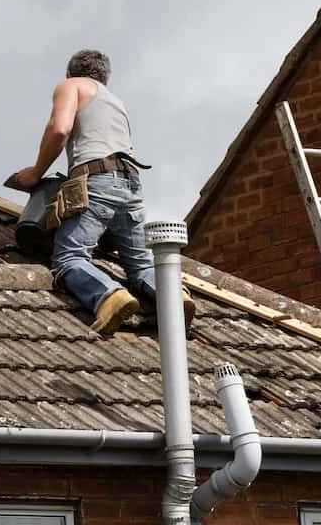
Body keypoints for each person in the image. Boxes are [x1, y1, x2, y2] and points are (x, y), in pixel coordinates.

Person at [12, 49, 194, 333]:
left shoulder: (70, 85)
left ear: (70, 73)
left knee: (69, 257)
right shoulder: (116, 102)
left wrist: (35, 172)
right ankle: (174, 297)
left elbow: (59, 130)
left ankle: (110, 296)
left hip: (97, 181)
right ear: (104, 77)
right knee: (139, 265)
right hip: (131, 184)